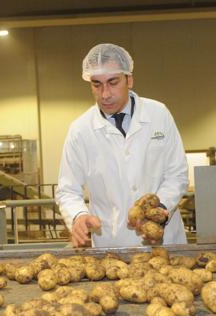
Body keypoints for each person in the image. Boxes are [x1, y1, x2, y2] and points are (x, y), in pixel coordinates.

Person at [55, 43, 188, 248]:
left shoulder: (158, 114)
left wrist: (158, 211)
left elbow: (177, 174)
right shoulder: (80, 130)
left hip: (163, 241)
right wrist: (78, 216)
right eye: (96, 84)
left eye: (113, 82)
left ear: (129, 79)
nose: (105, 94)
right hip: (113, 246)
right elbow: (68, 190)